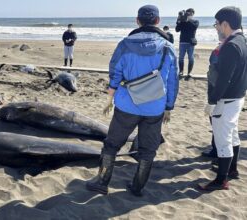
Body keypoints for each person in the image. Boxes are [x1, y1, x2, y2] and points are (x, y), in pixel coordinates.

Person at [86, 5, 179, 196]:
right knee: (148, 149)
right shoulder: (168, 47)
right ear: (157, 21)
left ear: (137, 21)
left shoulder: (125, 44)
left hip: (127, 104)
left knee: (112, 144)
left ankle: (102, 182)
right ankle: (137, 187)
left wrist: (110, 97)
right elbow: (172, 81)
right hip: (155, 107)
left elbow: (115, 72)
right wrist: (169, 106)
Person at [199, 6, 247, 191]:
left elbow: (224, 78)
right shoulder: (242, 40)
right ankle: (232, 169)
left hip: (226, 100)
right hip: (237, 97)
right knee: (232, 134)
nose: (216, 28)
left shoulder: (231, 46)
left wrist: (212, 101)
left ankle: (221, 180)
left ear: (225, 24)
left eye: (217, 24)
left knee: (222, 139)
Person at [201, 35, 226, 158]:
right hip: (228, 93)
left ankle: (217, 151)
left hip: (219, 93)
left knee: (217, 122)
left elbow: (214, 74)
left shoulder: (221, 51)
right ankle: (216, 149)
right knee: (219, 123)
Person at [175, 8, 199, 79]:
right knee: (181, 58)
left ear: (193, 14)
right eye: (188, 13)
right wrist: (179, 19)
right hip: (182, 42)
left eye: (190, 13)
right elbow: (177, 29)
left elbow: (194, 27)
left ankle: (189, 73)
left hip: (190, 42)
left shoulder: (195, 21)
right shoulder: (183, 21)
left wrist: (188, 19)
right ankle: (181, 71)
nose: (189, 15)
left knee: (191, 58)